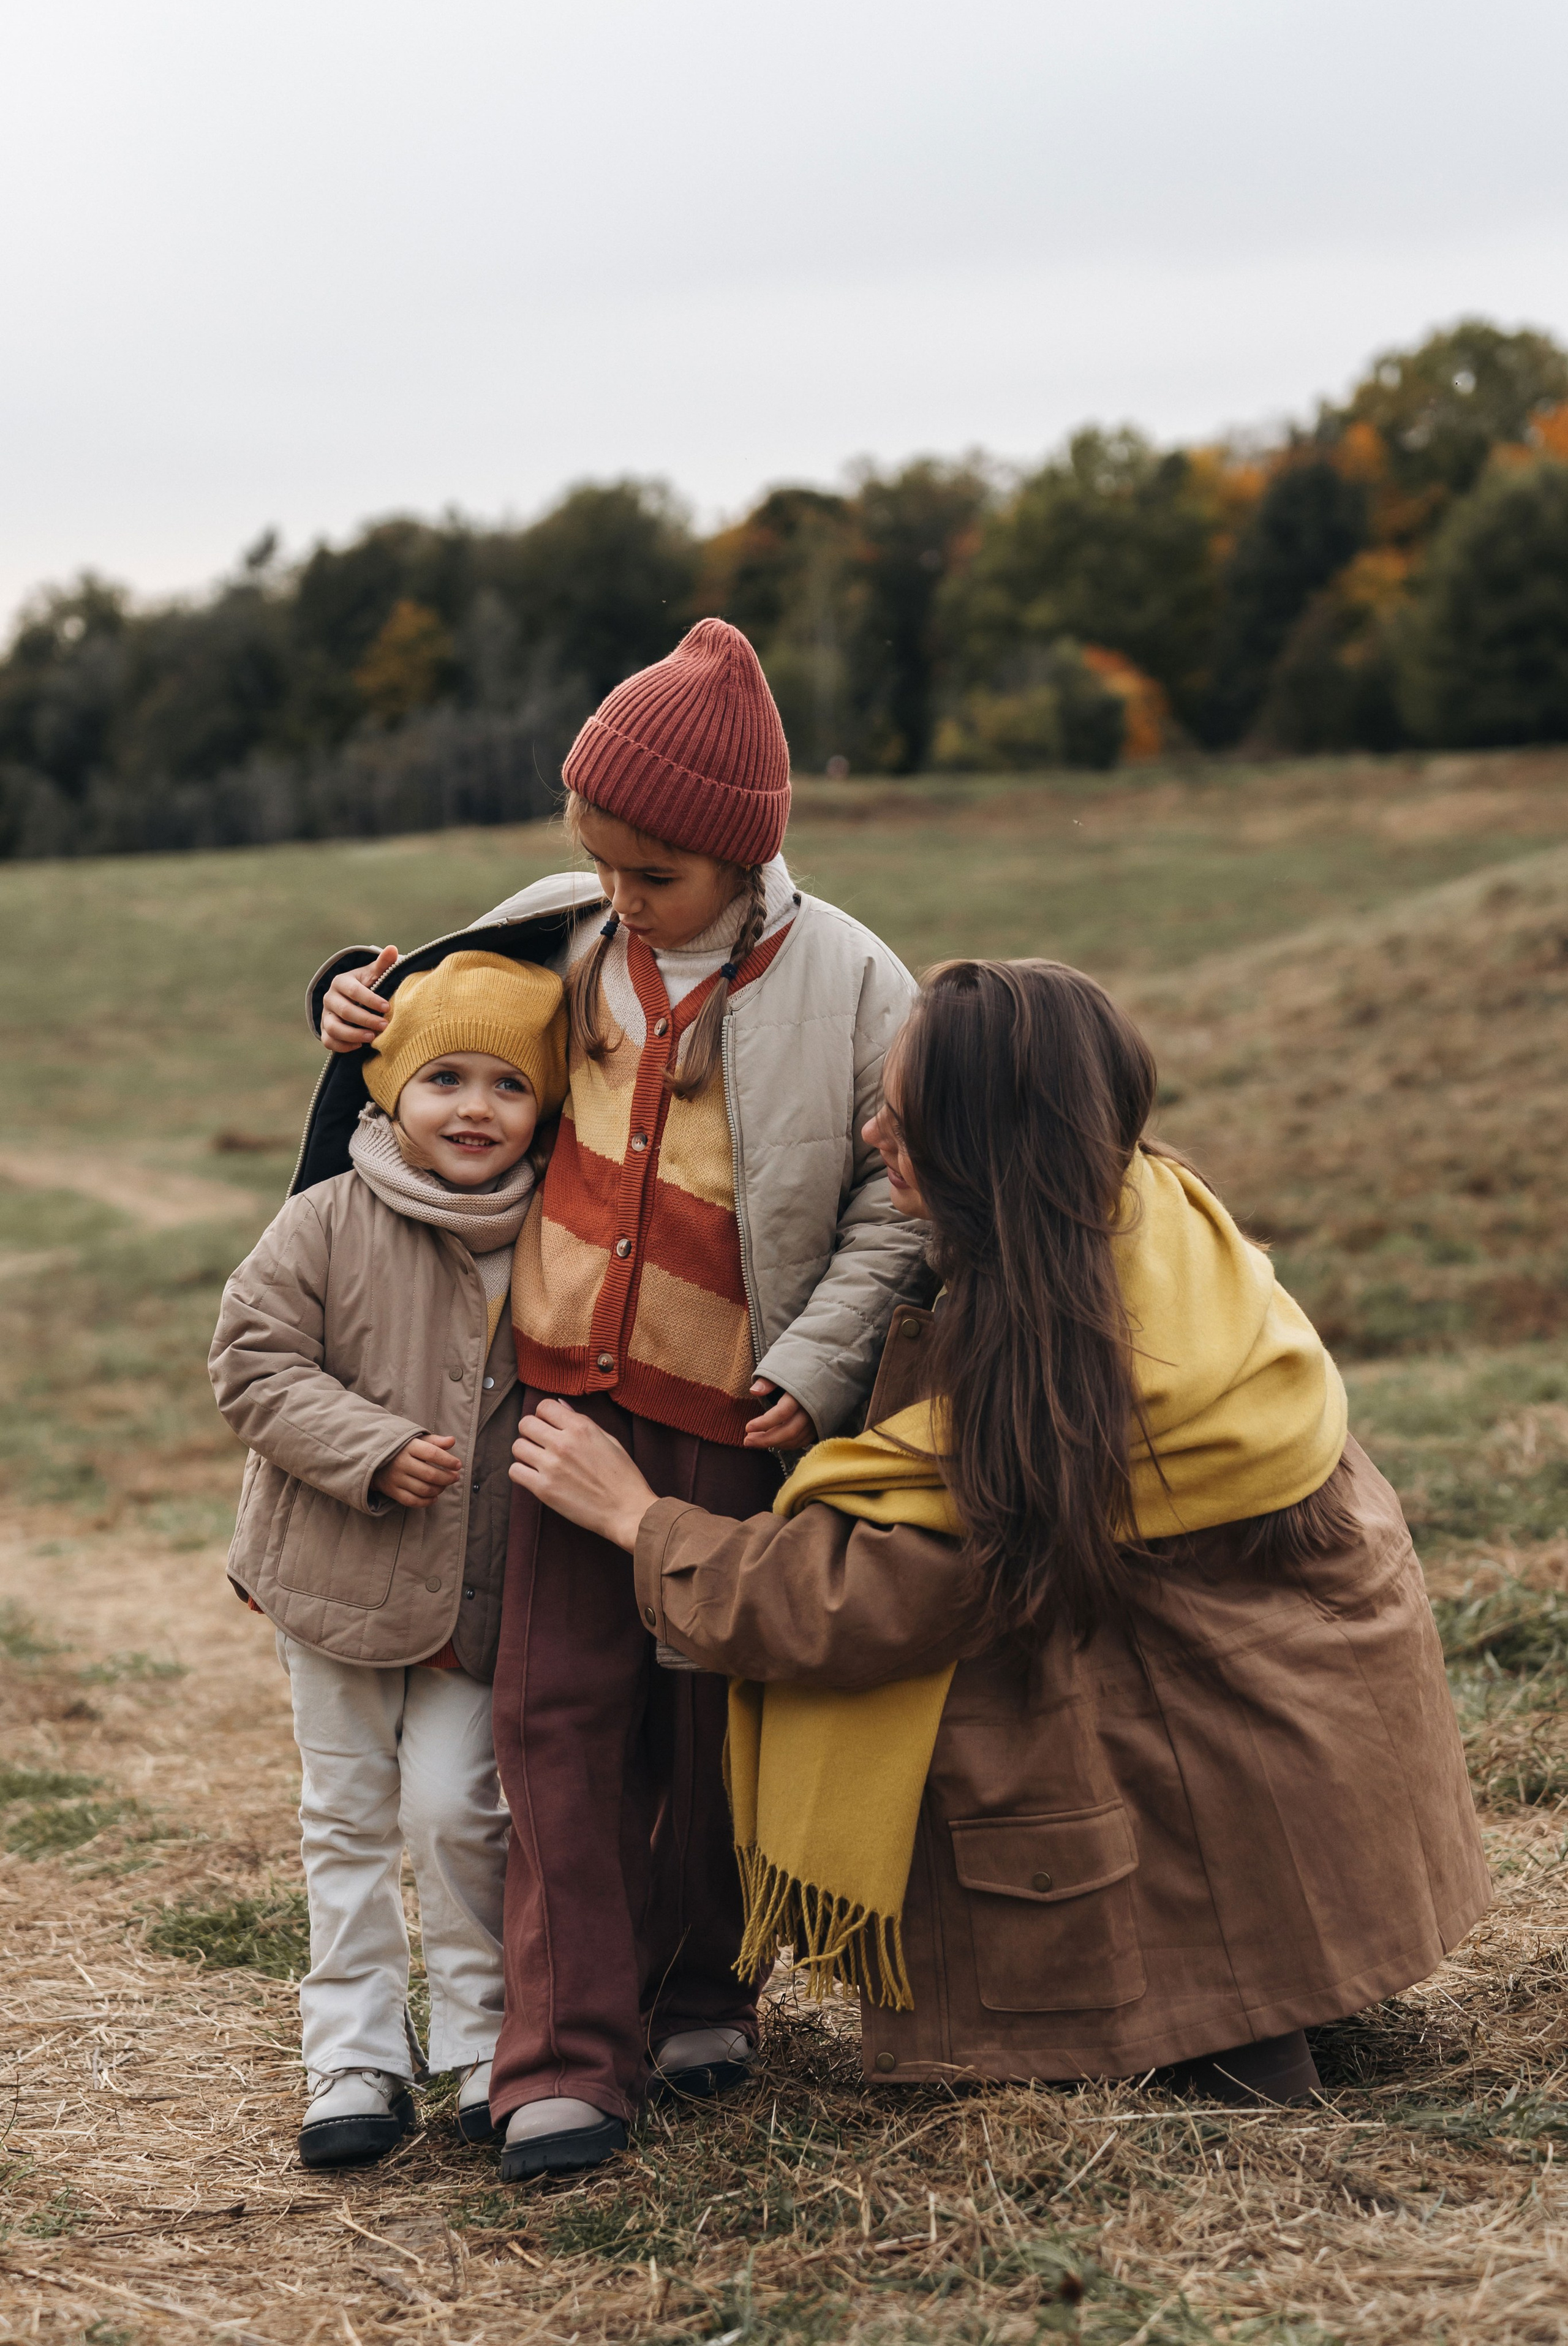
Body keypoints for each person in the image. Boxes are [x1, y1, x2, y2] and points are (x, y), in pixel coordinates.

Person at [510, 958, 1490, 2103]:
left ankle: (1222, 2023)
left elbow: (863, 1598)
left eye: (906, 1119)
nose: (872, 1132)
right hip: (1329, 1751)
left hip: (1231, 1751)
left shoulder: (1055, 1378)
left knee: (1016, 1692)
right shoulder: (1157, 1220)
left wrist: (641, 1521)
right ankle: (1283, 1976)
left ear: (985, 1151)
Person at [312, 618, 931, 2176]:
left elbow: (897, 1204)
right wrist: (345, 998)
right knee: (552, 1722)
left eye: (652, 873)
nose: (619, 892)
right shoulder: (559, 926)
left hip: (735, 1413)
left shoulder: (856, 980)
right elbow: (419, 1025)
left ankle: (698, 1990)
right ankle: (561, 2056)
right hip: (554, 1408)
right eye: (597, 858)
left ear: (743, 854)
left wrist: (819, 1361)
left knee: (706, 1720)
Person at [209, 951, 568, 2165]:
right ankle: (354, 2055)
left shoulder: (558, 1237)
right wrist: (367, 1447)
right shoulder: (325, 1217)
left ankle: (480, 2041)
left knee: (462, 1808)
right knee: (348, 1817)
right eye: (444, 1077)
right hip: (332, 1575)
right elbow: (251, 1361)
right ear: (388, 1089)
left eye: (509, 1084)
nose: (475, 1107)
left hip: (483, 1589)